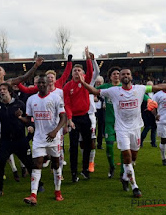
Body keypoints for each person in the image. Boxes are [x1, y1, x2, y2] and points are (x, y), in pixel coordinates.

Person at [79, 68, 166, 198]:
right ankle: (134, 186)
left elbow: (157, 87)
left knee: (133, 157)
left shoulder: (140, 88)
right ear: (120, 77)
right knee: (126, 156)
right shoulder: (113, 91)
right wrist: (82, 82)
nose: (125, 75)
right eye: (123, 74)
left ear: (131, 76)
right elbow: (94, 91)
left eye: (128, 74)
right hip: (121, 129)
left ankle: (125, 177)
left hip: (136, 128)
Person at [0, 83, 34, 198]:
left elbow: (28, 117)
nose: (2, 91)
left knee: (29, 163)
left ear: (10, 92)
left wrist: (30, 126)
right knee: (0, 163)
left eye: (4, 89)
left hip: (20, 140)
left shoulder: (19, 104)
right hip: (6, 141)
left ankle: (38, 184)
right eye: (0, 90)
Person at [23, 75, 66, 205]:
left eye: (43, 82)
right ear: (36, 85)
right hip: (38, 138)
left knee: (55, 165)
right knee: (36, 164)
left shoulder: (56, 98)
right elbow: (28, 119)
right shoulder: (31, 99)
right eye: (39, 83)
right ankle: (33, 195)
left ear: (48, 83)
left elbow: (64, 117)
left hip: (54, 138)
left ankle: (57, 191)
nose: (41, 85)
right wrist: (20, 117)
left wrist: (55, 131)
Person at [63, 47, 93, 182]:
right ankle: (73, 173)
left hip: (85, 117)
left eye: (79, 70)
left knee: (87, 145)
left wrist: (88, 58)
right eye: (74, 70)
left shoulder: (86, 81)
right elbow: (67, 104)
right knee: (73, 147)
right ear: (72, 73)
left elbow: (91, 71)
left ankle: (85, 169)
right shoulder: (67, 86)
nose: (76, 72)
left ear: (83, 73)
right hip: (73, 119)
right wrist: (69, 118)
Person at [141, 81, 157, 147]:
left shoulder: (156, 94)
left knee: (154, 127)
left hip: (154, 113)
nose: (150, 87)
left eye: (151, 85)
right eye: (148, 85)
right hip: (146, 113)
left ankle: (153, 143)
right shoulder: (143, 94)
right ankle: (140, 141)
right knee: (147, 127)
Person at [152, 89, 166, 165]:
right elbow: (152, 106)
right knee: (164, 140)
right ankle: (164, 158)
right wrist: (155, 115)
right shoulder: (158, 94)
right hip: (162, 121)